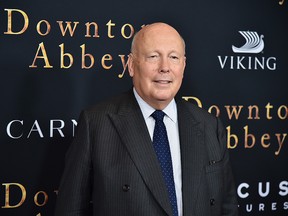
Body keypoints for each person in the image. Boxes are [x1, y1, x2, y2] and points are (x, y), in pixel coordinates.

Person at [55, 22, 239, 216]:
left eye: (173, 57)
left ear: (183, 66)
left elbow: (226, 207)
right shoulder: (96, 124)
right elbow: (71, 209)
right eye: (153, 57)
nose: (165, 68)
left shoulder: (210, 126)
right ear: (131, 65)